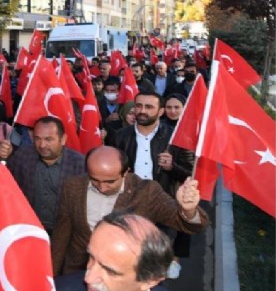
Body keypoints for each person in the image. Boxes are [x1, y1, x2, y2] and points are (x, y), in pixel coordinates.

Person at [51, 146, 208, 276]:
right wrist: (51, 275)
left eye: (110, 181)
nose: (102, 187)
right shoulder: (72, 187)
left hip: (124, 276)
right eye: (95, 180)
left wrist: (188, 209)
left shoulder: (146, 192)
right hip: (78, 272)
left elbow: (192, 225)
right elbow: (62, 233)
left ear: (126, 172)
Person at [0, 117, 85, 234]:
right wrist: (2, 157)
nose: (42, 145)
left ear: (63, 139)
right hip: (27, 228)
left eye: (48, 139)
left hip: (63, 233)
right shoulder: (23, 156)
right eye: (37, 139)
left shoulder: (79, 164)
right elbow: (1, 179)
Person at [54, 212, 172, 291]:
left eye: (110, 271)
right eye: (91, 257)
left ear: (150, 281)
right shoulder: (58, 287)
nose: (89, 278)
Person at [110, 91, 194, 195]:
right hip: (128, 201)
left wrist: (172, 167)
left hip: (164, 202)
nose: (142, 111)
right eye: (139, 106)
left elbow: (191, 174)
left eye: (149, 107)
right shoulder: (119, 136)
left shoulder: (178, 137)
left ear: (161, 111)